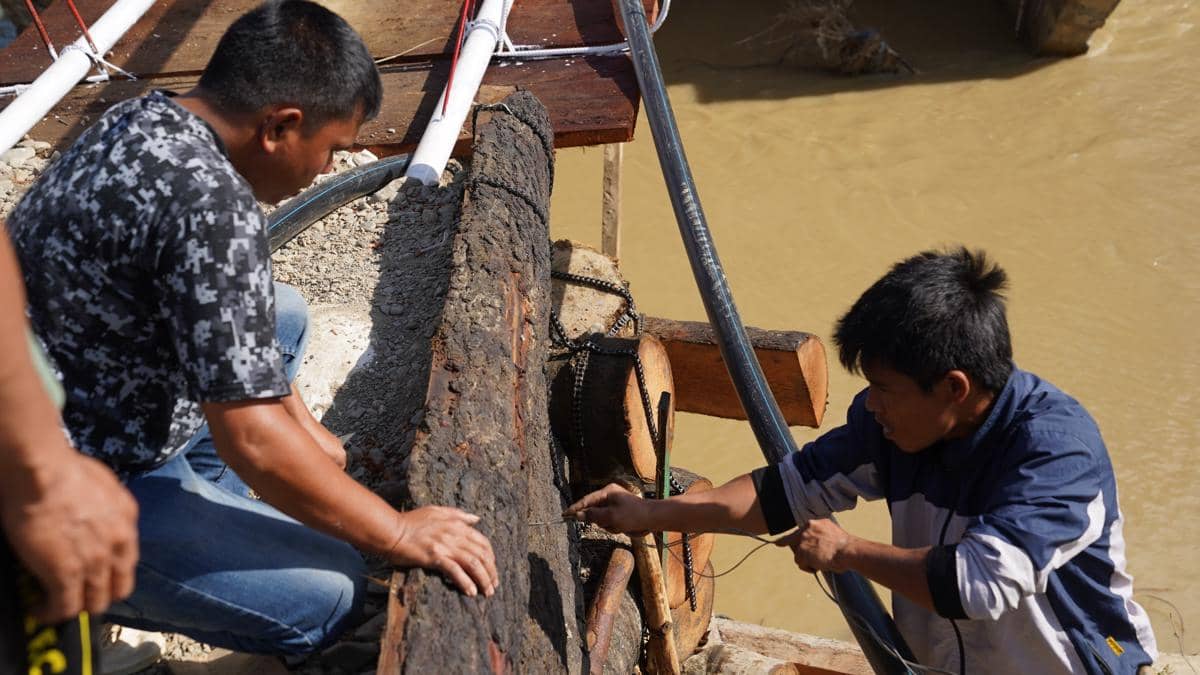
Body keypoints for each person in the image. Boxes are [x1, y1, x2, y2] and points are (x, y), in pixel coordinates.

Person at [6, 0, 497, 656]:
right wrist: (400, 533)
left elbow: (243, 329)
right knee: (336, 587)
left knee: (284, 316)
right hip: (75, 479)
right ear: (280, 127)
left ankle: (216, 515)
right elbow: (255, 442)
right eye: (330, 150)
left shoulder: (143, 115)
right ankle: (171, 565)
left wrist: (301, 424)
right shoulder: (214, 212)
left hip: (91, 391)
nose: (327, 170)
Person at [567, 247, 1157, 674]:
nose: (870, 403)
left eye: (885, 387)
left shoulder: (1056, 452)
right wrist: (650, 514)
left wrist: (846, 551)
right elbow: (782, 495)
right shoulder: (894, 425)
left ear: (954, 388)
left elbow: (979, 584)